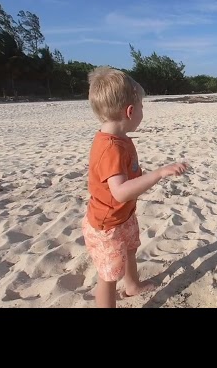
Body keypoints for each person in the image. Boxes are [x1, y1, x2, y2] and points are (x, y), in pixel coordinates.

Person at [82, 66, 189, 308]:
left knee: (131, 249)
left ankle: (132, 286)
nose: (142, 111)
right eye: (142, 106)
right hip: (106, 225)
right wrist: (159, 173)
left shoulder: (120, 139)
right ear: (130, 111)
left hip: (124, 216)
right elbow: (119, 192)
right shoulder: (110, 148)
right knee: (107, 278)